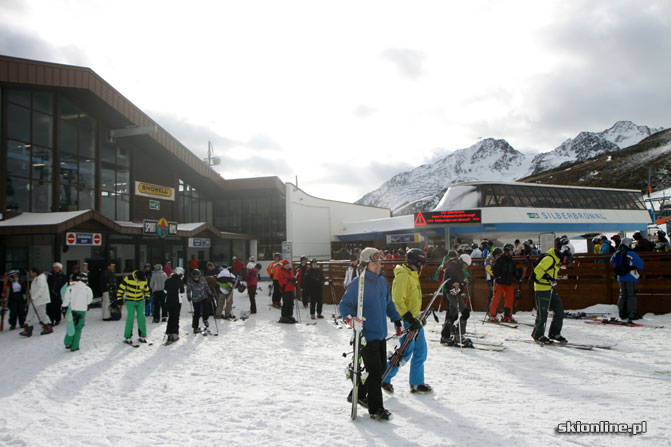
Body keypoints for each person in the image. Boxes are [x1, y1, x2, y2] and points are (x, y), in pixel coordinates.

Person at [339, 247, 401, 422]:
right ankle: (376, 409)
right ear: (366, 264)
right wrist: (351, 320)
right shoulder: (357, 284)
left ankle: (357, 394)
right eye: (375, 263)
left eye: (380, 262)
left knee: (380, 370)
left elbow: (389, 304)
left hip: (380, 333)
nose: (379, 265)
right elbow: (344, 307)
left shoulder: (382, 282)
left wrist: (396, 320)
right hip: (365, 336)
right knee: (375, 373)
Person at [382, 248, 433, 396]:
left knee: (420, 352)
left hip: (415, 320)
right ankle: (385, 377)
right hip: (408, 321)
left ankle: (416, 382)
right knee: (405, 353)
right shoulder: (403, 276)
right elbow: (397, 300)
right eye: (421, 264)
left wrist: (417, 316)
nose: (422, 268)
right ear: (416, 263)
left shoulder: (412, 275)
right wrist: (409, 318)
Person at [531, 238, 569, 344]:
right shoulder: (550, 259)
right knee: (542, 313)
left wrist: (554, 278)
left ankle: (554, 333)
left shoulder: (556, 261)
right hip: (542, 288)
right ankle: (537, 334)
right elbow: (537, 271)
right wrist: (548, 278)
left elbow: (550, 271)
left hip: (550, 288)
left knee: (559, 310)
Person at [438, 251, 473, 346]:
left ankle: (446, 336)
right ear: (462, 262)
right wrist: (453, 283)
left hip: (455, 292)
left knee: (453, 315)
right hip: (451, 292)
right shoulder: (454, 264)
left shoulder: (459, 267)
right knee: (465, 313)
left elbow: (459, 281)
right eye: (466, 265)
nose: (466, 267)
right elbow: (447, 275)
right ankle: (458, 335)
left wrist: (464, 282)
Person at [610, 238, 644, 322]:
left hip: (620, 277)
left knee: (622, 294)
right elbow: (641, 265)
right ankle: (632, 313)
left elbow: (611, 261)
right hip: (631, 277)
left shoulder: (616, 253)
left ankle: (622, 313)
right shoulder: (631, 254)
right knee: (631, 294)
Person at [62, 273, 93, 352]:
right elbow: (89, 300)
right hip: (82, 311)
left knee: (70, 326)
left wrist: (64, 306)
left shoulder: (70, 288)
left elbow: (66, 299)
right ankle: (75, 346)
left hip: (71, 310)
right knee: (78, 328)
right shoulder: (87, 289)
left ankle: (68, 342)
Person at [117, 270, 150, 345]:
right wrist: (119, 298)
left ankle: (142, 336)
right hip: (130, 301)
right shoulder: (128, 278)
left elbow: (146, 289)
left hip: (140, 301)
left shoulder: (144, 279)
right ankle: (128, 337)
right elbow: (121, 289)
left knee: (141, 318)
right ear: (135, 277)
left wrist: (147, 297)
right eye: (139, 279)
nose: (140, 281)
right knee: (130, 318)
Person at [488, 244, 519, 323]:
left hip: (508, 282)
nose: (512, 251)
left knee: (509, 299)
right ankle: (492, 315)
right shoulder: (500, 260)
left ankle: (507, 315)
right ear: (507, 251)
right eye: (511, 250)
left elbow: (514, 270)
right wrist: (497, 277)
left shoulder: (511, 260)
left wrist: (518, 277)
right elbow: (494, 269)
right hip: (500, 282)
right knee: (496, 298)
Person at [21, 267, 52, 336]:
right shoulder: (36, 278)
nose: (30, 274)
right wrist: (30, 292)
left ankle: (48, 326)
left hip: (40, 300)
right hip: (35, 300)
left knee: (42, 314)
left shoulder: (41, 279)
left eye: (31, 272)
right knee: (30, 314)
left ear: (35, 272)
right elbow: (35, 289)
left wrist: (33, 297)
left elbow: (40, 290)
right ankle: (28, 328)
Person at [187, 269, 214, 333]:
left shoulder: (203, 280)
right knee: (197, 313)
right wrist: (188, 296)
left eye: (197, 276)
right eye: (195, 277)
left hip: (203, 296)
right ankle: (195, 327)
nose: (196, 278)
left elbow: (206, 287)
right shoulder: (190, 281)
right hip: (195, 298)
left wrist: (209, 293)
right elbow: (188, 290)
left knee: (206, 309)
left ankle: (205, 319)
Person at [164, 267, 185, 343]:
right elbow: (182, 292)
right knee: (176, 317)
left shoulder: (167, 281)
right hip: (177, 301)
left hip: (168, 300)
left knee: (170, 316)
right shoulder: (180, 281)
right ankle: (175, 333)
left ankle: (169, 332)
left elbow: (165, 291)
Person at [46, 262, 67, 326]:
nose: (55, 269)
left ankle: (57, 319)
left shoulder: (62, 276)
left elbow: (64, 285)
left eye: (57, 268)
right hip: (50, 293)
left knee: (57, 307)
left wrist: (61, 294)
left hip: (58, 294)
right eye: (54, 267)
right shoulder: (50, 275)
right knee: (50, 308)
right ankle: (51, 320)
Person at [277, 259, 298, 324]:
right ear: (283, 265)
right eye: (286, 265)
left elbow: (292, 276)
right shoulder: (281, 271)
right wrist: (288, 280)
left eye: (288, 265)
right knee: (286, 303)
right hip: (285, 289)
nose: (287, 266)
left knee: (291, 303)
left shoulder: (290, 271)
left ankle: (290, 315)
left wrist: (294, 279)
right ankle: (284, 316)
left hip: (290, 289)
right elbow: (281, 281)